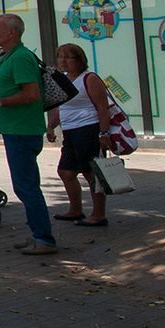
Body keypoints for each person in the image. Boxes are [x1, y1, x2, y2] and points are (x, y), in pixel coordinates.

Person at [0, 13, 55, 255]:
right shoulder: (10, 56)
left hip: (22, 130)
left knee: (26, 187)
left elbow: (31, 94)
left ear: (11, 33)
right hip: (16, 129)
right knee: (24, 186)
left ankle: (44, 239)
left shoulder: (20, 57)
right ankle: (37, 234)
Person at [49, 45, 113, 228]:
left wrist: (104, 133)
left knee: (90, 172)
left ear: (79, 59)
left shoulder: (89, 78)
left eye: (68, 57)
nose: (63, 61)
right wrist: (51, 126)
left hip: (88, 130)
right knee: (66, 171)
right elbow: (62, 107)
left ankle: (98, 214)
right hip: (69, 131)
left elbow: (103, 108)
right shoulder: (63, 80)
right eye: (60, 57)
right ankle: (75, 209)